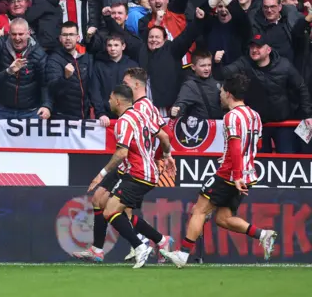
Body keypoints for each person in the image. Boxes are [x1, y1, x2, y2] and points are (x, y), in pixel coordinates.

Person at [160, 74, 278, 268]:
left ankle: (182, 254)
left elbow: (235, 145)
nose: (220, 95)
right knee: (223, 219)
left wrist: (237, 175)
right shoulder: (254, 115)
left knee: (198, 211)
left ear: (229, 94)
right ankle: (263, 234)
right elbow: (257, 144)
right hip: (248, 173)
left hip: (230, 175)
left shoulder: (231, 116)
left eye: (222, 92)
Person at [78, 84, 174, 268]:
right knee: (106, 204)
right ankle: (154, 241)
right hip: (145, 172)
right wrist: (167, 155)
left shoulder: (124, 121)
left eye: (110, 98)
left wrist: (101, 174)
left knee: (111, 212)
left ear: (118, 101)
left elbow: (122, 153)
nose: (108, 102)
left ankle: (141, 245)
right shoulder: (142, 115)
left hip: (137, 174)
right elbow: (164, 136)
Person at [171, 51, 224, 120]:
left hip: (221, 125)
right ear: (193, 67)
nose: (207, 69)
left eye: (209, 65)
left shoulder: (217, 78)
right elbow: (181, 103)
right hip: (203, 127)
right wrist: (176, 110)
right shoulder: (190, 85)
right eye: (203, 66)